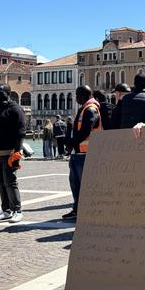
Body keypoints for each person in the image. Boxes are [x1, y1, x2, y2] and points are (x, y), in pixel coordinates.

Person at [0, 84, 27, 223]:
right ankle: (6, 210)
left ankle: (17, 210)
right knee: (1, 182)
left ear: (8, 93)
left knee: (10, 182)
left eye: (0, 91)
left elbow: (20, 133)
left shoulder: (15, 110)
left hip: (9, 152)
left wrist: (17, 153)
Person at [63, 85, 101, 221]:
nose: (76, 98)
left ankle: (84, 211)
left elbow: (85, 131)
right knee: (75, 184)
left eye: (77, 95)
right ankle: (77, 209)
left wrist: (72, 142)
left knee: (83, 185)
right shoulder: (85, 109)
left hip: (86, 154)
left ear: (85, 95)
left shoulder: (91, 109)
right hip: (78, 153)